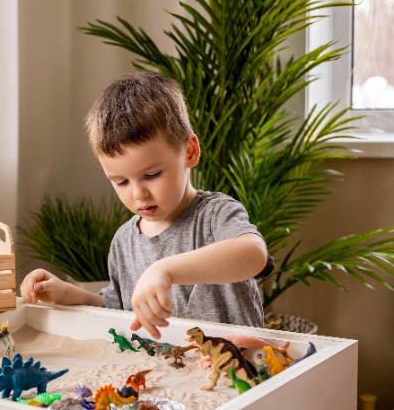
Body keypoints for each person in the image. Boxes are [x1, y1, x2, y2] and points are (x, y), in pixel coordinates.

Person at [20, 71, 273, 339]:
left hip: (234, 369)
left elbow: (253, 255)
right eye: (120, 182)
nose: (138, 193)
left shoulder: (214, 215)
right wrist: (66, 294)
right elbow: (116, 308)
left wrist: (165, 270)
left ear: (190, 152)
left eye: (152, 175)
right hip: (162, 375)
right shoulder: (123, 241)